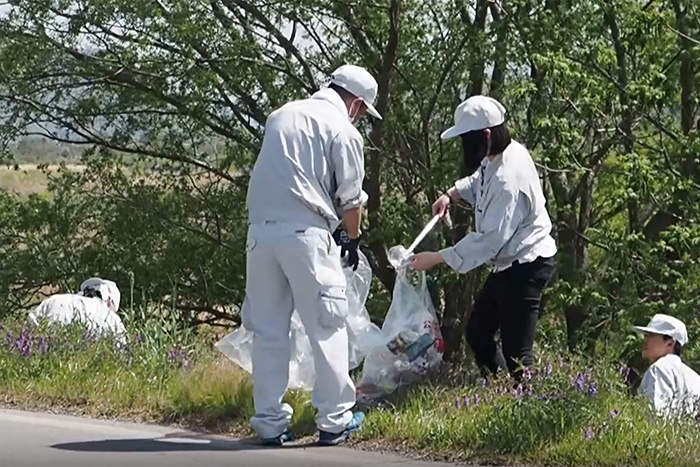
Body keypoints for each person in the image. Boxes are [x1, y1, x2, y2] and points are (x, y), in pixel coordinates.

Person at [243, 64, 382, 446]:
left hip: (260, 235)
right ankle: (335, 420)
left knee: (268, 331)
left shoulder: (281, 115)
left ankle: (270, 424)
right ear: (356, 104)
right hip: (306, 235)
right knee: (327, 325)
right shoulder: (343, 130)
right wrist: (351, 239)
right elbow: (351, 199)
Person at [409, 95, 557, 378]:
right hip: (508, 263)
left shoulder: (508, 178)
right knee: (478, 332)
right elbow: (479, 179)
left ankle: (529, 410)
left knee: (519, 355)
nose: (465, 147)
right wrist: (451, 194)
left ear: (486, 135)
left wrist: (438, 258)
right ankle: (502, 393)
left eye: (467, 139)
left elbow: (490, 240)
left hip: (526, 264)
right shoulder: (499, 153)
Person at [633, 314, 700, 418]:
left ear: (670, 344)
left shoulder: (659, 369)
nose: (645, 340)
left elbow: (655, 419)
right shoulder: (695, 378)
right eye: (646, 335)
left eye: (651, 335)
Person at [28, 277, 126, 346]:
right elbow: (121, 352)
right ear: (109, 301)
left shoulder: (55, 300)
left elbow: (31, 323)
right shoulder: (113, 319)